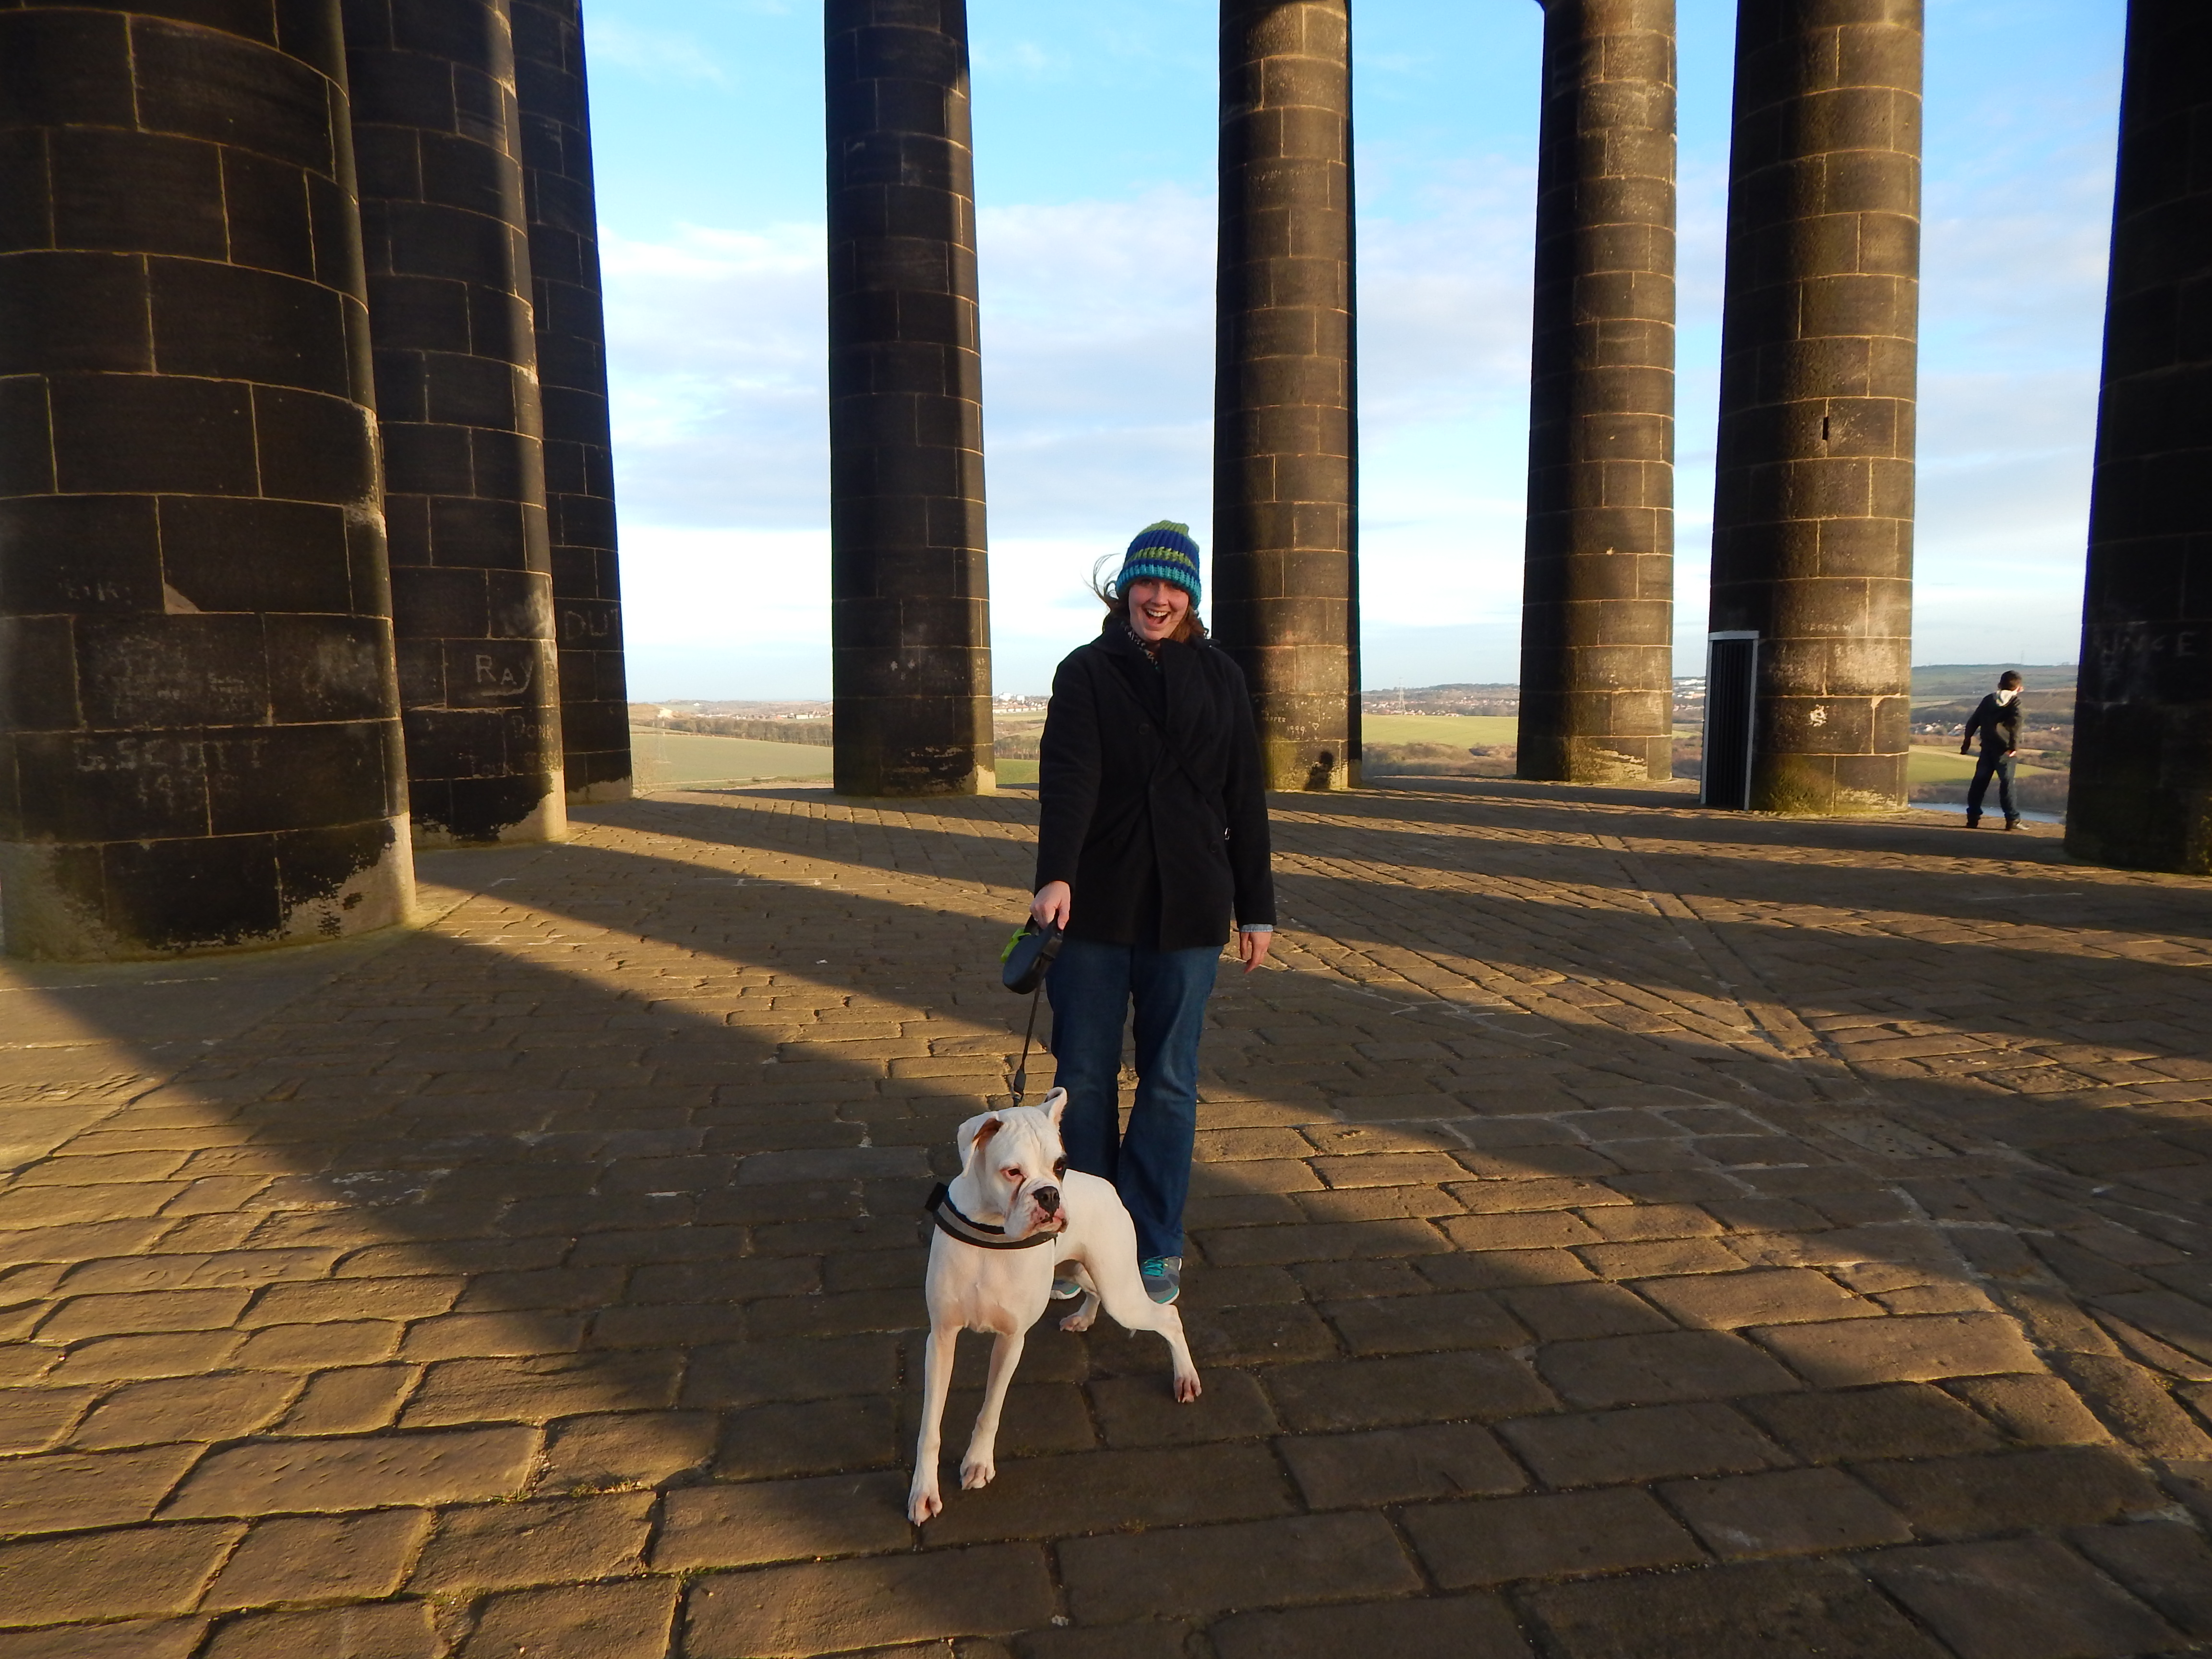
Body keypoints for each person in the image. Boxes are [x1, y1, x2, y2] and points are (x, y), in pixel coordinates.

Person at [1030, 521, 1276, 1306]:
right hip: (1096, 905)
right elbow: (1068, 781)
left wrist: (1257, 908)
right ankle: (1076, 1239)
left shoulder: (1221, 676)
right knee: (1083, 1077)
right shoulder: (1085, 671)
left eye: (1173, 587)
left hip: (1192, 905)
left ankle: (1152, 1237)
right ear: (1124, 590)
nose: (1158, 599)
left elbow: (1244, 796)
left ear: (1191, 598)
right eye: (1146, 583)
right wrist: (1054, 877)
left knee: (1169, 1080)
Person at [1960, 670, 2025, 830]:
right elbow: (2016, 725)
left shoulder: (1988, 700)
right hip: (2005, 750)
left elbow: (1973, 721)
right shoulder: (2015, 702)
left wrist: (1967, 742)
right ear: (2019, 688)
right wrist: (2014, 747)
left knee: (1979, 783)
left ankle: (1973, 818)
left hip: (1987, 747)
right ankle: (2012, 820)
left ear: (1999, 685)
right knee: (2007, 784)